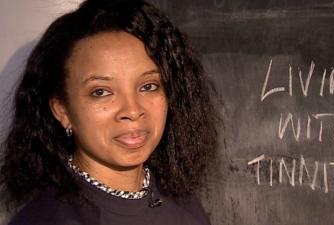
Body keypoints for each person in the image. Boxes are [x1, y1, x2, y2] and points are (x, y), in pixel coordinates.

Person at [0, 0, 218, 224]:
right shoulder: (46, 219)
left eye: (148, 86)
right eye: (101, 92)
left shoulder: (185, 203)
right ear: (61, 110)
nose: (132, 110)